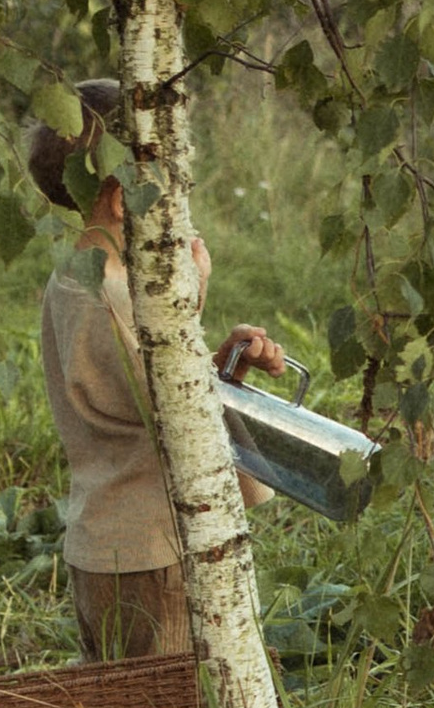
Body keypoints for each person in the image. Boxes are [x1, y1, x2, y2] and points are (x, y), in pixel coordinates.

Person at [31, 80, 291, 661]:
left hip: (104, 541)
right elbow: (175, 409)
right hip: (154, 551)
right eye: (168, 182)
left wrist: (219, 356)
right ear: (124, 199)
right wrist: (190, 300)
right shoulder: (120, 298)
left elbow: (133, 392)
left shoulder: (72, 278)